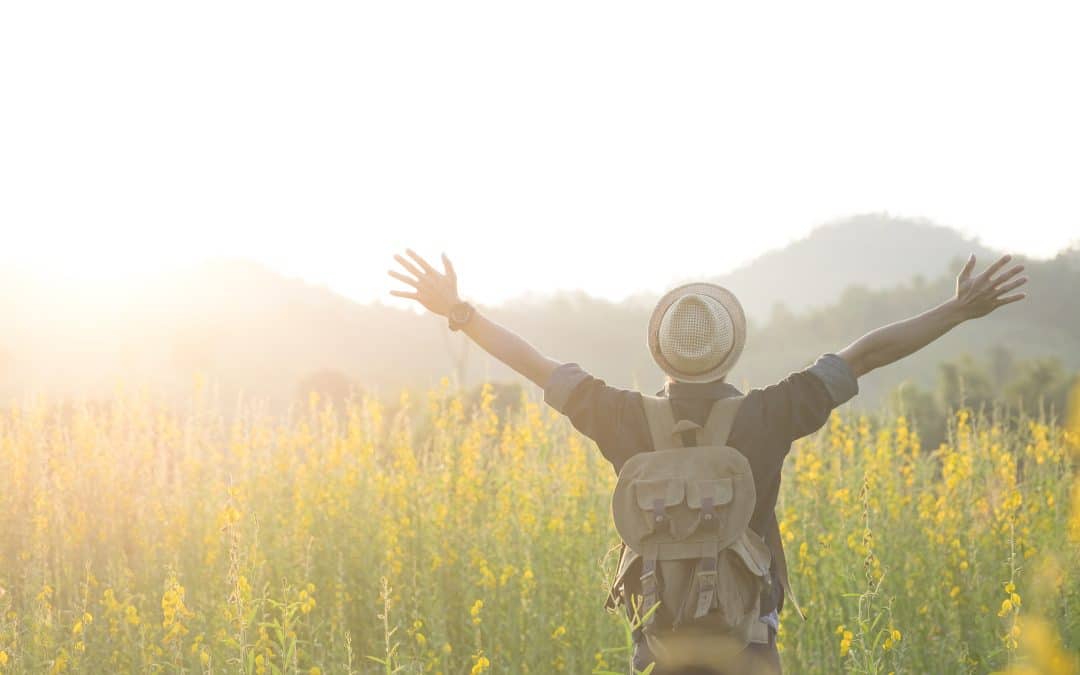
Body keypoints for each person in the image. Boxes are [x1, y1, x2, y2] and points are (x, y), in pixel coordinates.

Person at [387, 248, 1028, 674]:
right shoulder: (771, 413)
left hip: (659, 646)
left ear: (661, 354)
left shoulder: (620, 416)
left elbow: (533, 363)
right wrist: (958, 309)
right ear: (732, 350)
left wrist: (458, 312)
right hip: (748, 647)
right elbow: (865, 354)